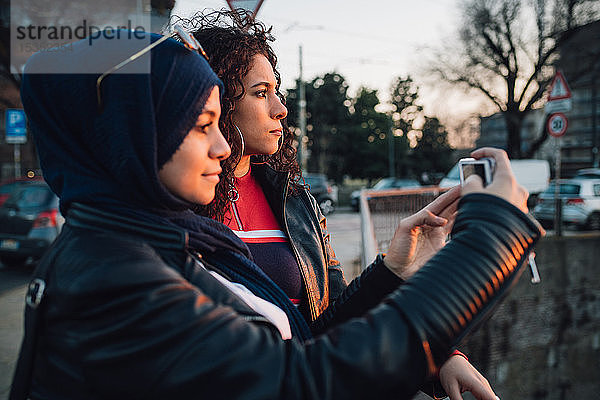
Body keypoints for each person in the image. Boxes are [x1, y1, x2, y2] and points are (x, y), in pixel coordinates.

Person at [10, 28, 542, 400]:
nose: (222, 148)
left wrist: (394, 275)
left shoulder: (156, 242)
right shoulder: (120, 278)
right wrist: (490, 239)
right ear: (132, 136)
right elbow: (304, 382)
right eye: (202, 124)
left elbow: (304, 340)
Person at [186, 10, 493, 398]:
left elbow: (334, 326)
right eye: (260, 93)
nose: (280, 108)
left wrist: (432, 347)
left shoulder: (297, 203)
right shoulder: (175, 206)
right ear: (213, 98)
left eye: (276, 91)